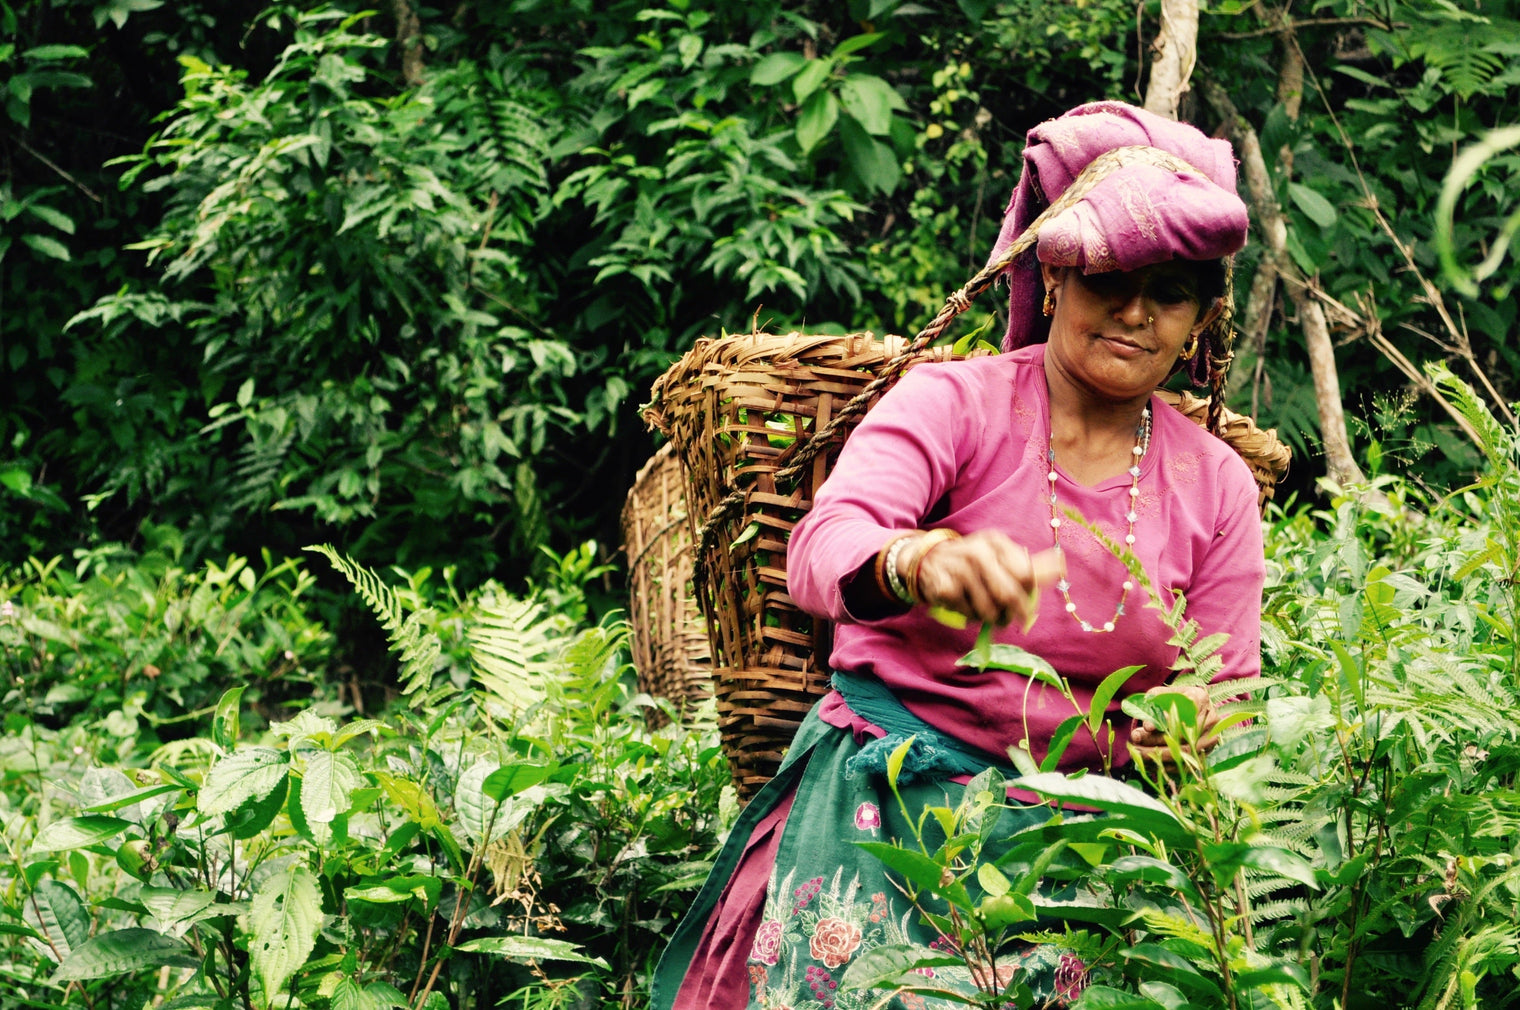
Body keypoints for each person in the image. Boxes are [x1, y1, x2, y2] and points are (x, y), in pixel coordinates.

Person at [651, 100, 1265, 1010]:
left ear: (1200, 319)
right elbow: (825, 546)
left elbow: (1224, 696)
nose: (1136, 313)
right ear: (1054, 278)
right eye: (1111, 282)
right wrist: (916, 563)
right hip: (891, 813)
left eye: (1170, 293)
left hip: (1088, 855)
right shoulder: (955, 404)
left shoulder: (1215, 485)